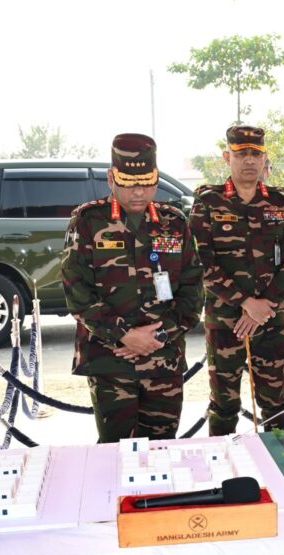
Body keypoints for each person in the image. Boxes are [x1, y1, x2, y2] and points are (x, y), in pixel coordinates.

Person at [62, 134, 202, 443]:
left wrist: (158, 335)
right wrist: (125, 335)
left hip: (163, 358)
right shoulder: (88, 221)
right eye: (128, 182)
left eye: (146, 182)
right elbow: (76, 289)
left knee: (163, 449)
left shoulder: (174, 222)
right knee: (115, 451)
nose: (138, 191)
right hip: (111, 360)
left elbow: (193, 289)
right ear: (111, 179)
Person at [190, 126, 284, 435]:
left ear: (265, 158)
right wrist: (245, 303)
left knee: (276, 401)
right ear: (227, 157)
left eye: (255, 153)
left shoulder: (280, 203)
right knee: (223, 403)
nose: (249, 160)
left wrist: (265, 305)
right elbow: (201, 261)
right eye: (241, 154)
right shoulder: (208, 203)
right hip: (226, 320)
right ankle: (224, 477)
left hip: (270, 318)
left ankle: (282, 470)